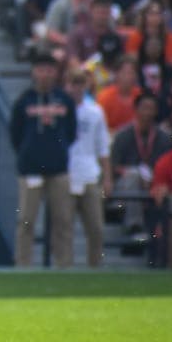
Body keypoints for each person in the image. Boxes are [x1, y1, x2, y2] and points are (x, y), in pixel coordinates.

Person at [9, 55, 76, 268]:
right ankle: (23, 264)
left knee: (63, 220)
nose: (45, 74)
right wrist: (29, 152)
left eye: (49, 70)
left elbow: (71, 132)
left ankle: (63, 265)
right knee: (26, 220)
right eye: (41, 69)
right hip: (30, 169)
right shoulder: (24, 101)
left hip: (59, 169)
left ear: (56, 73)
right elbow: (15, 134)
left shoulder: (65, 100)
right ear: (33, 72)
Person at [110, 92, 172, 239]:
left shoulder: (164, 137)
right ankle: (135, 226)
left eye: (151, 108)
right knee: (134, 176)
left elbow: (168, 163)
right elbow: (114, 166)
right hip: (126, 183)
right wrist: (137, 175)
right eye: (144, 108)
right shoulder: (122, 135)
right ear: (136, 109)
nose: (148, 112)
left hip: (155, 182)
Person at [64, 68, 111, 267]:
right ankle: (63, 268)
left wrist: (107, 177)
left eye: (80, 82)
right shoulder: (60, 110)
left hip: (90, 173)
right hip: (65, 174)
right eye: (73, 82)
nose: (76, 87)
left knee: (96, 228)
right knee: (64, 228)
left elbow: (103, 146)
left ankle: (95, 268)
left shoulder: (95, 111)